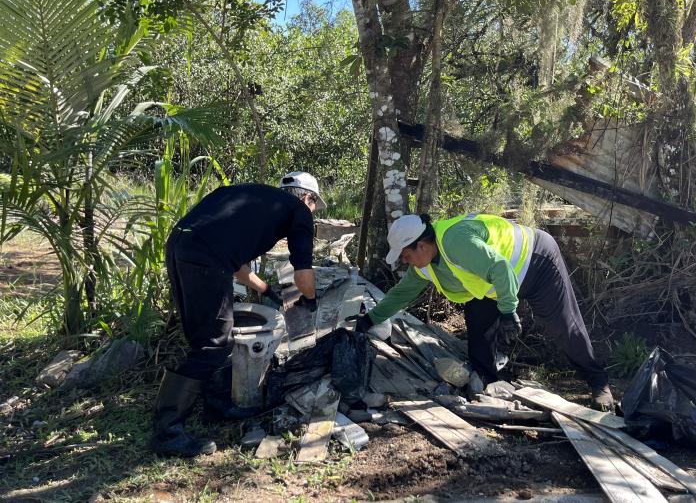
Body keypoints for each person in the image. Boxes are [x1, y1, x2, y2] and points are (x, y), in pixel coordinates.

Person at [352, 213, 614, 408]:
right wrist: (370, 320)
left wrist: (508, 311)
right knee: (478, 324)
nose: (404, 261)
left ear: (421, 245)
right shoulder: (424, 265)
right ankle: (488, 382)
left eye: (405, 255)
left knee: (563, 327)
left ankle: (598, 384)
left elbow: (501, 269)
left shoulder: (455, 241)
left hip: (535, 262)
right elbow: (402, 293)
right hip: (496, 281)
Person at [151, 172, 324, 457]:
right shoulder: (299, 212)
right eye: (315, 206)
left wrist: (267, 290)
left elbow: (232, 262)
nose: (313, 212)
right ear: (308, 198)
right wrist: (311, 300)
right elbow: (304, 275)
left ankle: (215, 406)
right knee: (214, 344)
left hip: (180, 245)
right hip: (205, 258)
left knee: (205, 336)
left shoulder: (254, 197)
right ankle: (167, 431)